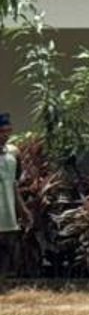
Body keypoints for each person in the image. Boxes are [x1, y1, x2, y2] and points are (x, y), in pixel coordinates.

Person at [0, 112, 18, 278]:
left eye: (8, 131)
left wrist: (23, 209)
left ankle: (2, 280)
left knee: (7, 245)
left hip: (7, 209)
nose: (6, 135)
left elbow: (14, 183)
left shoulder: (12, 154)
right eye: (2, 132)